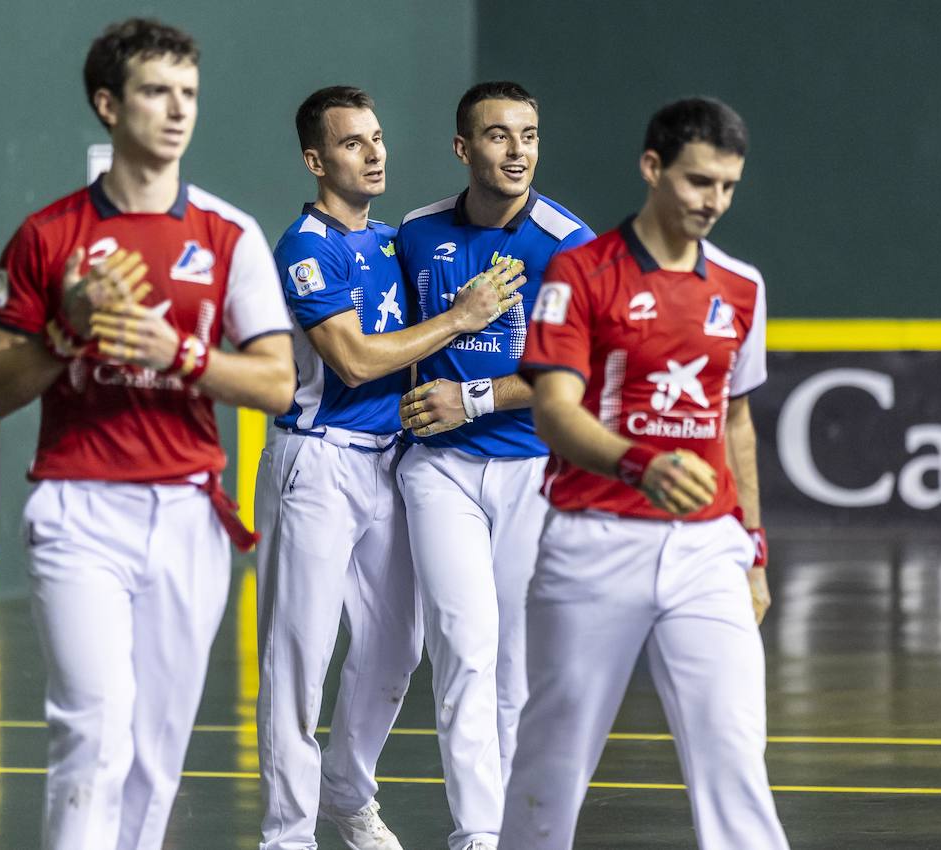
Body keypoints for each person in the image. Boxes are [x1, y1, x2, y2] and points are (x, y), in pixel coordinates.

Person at [0, 18, 295, 850]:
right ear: (108, 105)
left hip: (188, 515)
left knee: (155, 758)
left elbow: (276, 381)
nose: (178, 109)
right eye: (157, 91)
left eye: (189, 92)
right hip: (78, 510)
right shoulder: (50, 236)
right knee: (94, 734)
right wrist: (67, 330)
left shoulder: (229, 236)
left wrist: (180, 353)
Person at [498, 96, 790, 849]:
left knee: (734, 753)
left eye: (727, 186)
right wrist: (640, 463)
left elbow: (735, 422)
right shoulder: (580, 272)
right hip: (593, 543)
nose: (713, 202)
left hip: (708, 551)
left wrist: (753, 548)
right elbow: (554, 410)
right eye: (698, 182)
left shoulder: (742, 287)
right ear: (652, 167)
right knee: (552, 763)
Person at [256, 86, 525, 850]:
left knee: (397, 648)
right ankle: (288, 835)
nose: (374, 154)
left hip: (391, 464)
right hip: (314, 463)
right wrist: (460, 317)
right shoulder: (307, 248)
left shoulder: (387, 243)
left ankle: (345, 791)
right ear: (316, 160)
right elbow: (351, 358)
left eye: (377, 139)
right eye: (352, 144)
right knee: (298, 657)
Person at [393, 81, 595, 850]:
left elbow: (574, 372)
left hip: (531, 470)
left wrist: (470, 396)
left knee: (514, 662)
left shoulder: (568, 244)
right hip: (437, 471)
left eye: (530, 136)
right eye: (500, 137)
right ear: (463, 148)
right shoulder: (414, 234)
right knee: (462, 644)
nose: (518, 153)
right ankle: (477, 833)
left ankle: (519, 831)